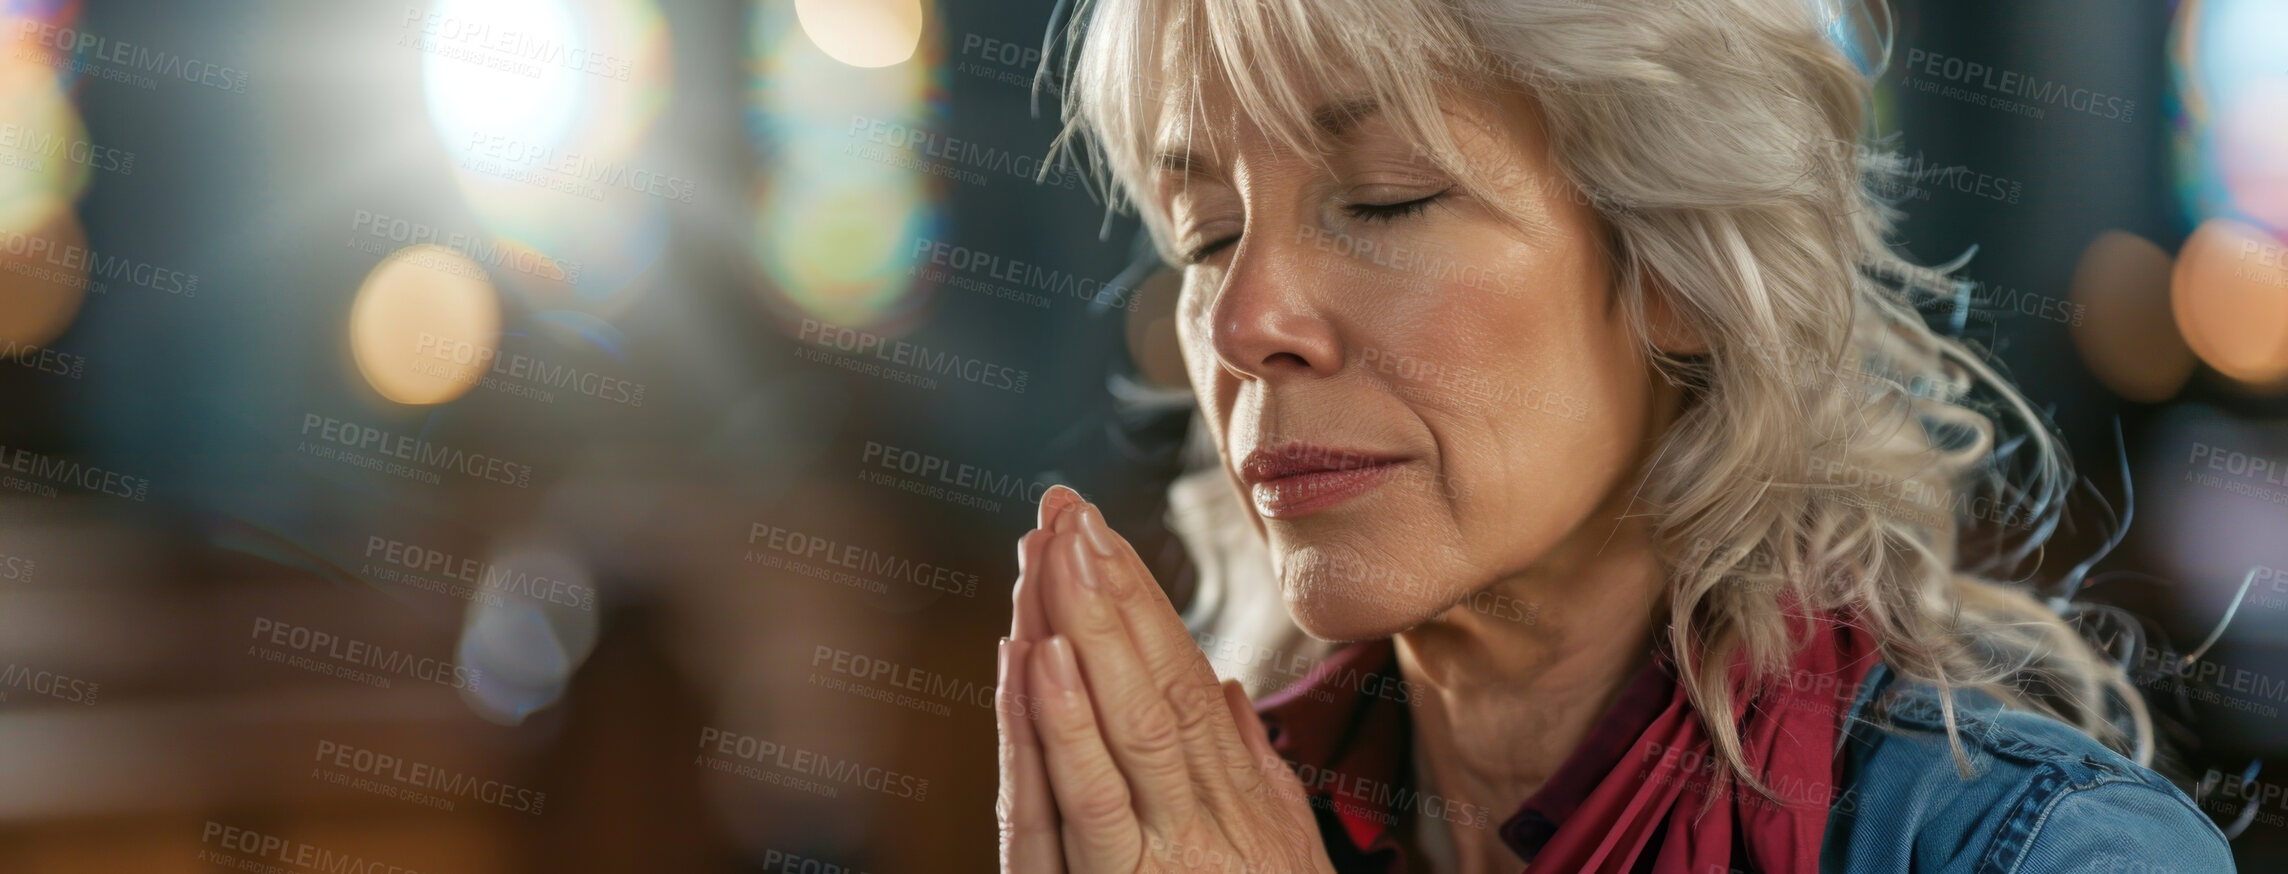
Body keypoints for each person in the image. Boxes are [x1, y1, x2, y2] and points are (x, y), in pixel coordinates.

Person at [992, 0, 2239, 871]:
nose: (1245, 320)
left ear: (1678, 274)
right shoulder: (1178, 834)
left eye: (1385, 198)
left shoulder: (2045, 851)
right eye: (1208, 234)